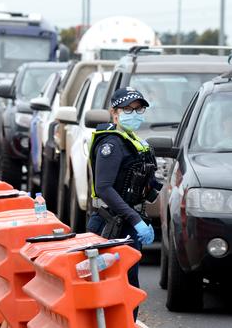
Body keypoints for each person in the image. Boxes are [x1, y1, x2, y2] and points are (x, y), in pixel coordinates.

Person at [86, 87, 161, 321]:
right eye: (128, 109)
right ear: (114, 113)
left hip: (128, 225)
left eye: (139, 109)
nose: (134, 113)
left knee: (129, 287)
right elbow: (104, 188)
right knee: (113, 289)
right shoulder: (111, 144)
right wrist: (136, 219)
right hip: (111, 225)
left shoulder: (135, 141)